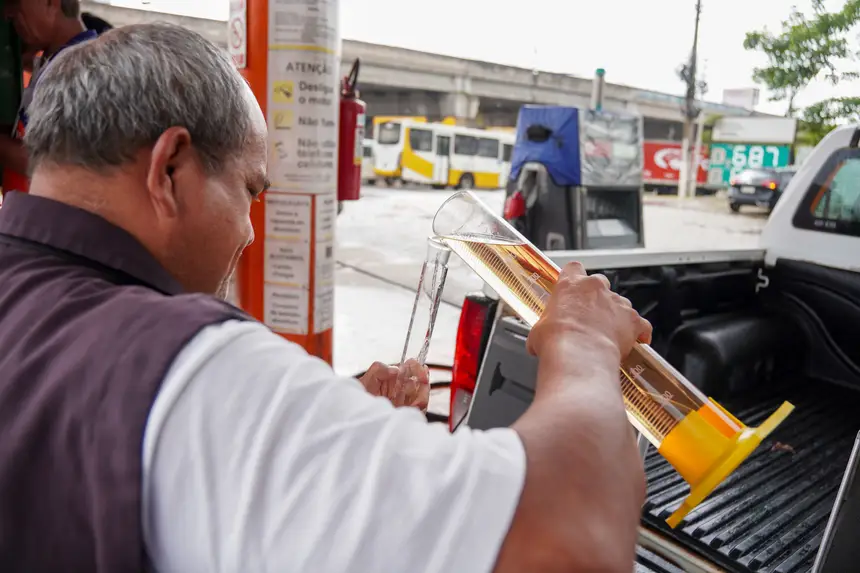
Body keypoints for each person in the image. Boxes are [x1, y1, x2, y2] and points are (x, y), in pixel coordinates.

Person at [0, 23, 651, 573]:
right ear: (170, 169)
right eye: (251, 191)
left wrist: (329, 420)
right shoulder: (179, 362)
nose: (252, 231)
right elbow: (569, 540)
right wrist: (586, 340)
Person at [0, 0, 98, 197]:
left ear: (50, 3)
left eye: (16, 5)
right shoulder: (53, 59)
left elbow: (51, 164)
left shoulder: (83, 69)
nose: (8, 15)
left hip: (46, 218)